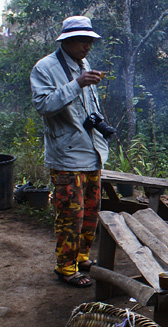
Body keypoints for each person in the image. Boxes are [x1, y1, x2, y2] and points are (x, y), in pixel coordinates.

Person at [30, 15, 115, 287]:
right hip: (66, 155)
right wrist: (77, 84)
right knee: (70, 213)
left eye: (90, 41)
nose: (87, 46)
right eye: (82, 41)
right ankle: (65, 267)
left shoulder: (83, 64)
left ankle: (81, 257)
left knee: (90, 210)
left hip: (91, 150)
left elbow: (88, 105)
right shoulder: (45, 68)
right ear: (66, 41)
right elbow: (43, 105)